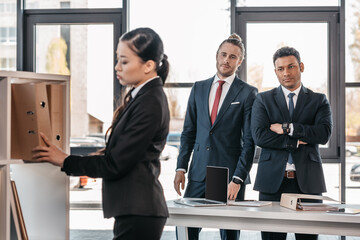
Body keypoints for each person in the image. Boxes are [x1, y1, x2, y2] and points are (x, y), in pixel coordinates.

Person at [32, 27, 170, 240]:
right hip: (134, 210)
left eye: (124, 61)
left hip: (140, 210)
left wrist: (65, 160)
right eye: (117, 60)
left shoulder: (150, 102)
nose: (117, 67)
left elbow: (115, 164)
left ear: (148, 66)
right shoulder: (143, 97)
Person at [173, 33, 258, 240]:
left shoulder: (248, 93)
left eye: (232, 57)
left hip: (228, 177)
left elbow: (249, 141)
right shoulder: (198, 88)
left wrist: (238, 178)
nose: (226, 60)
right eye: (223, 55)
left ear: (240, 61)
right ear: (217, 56)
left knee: (229, 234)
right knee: (186, 231)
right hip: (198, 173)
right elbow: (188, 132)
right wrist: (181, 167)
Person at [251, 46, 333, 240]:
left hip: (308, 184)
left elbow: (323, 134)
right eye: (280, 69)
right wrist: (296, 142)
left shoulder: (318, 100)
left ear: (301, 66)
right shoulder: (263, 100)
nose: (286, 73)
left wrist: (288, 128)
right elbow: (260, 136)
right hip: (272, 184)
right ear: (275, 71)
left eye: (291, 66)